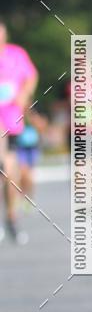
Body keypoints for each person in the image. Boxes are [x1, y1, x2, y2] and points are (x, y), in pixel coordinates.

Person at [0, 21, 38, 244]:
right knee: (5, 166)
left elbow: (31, 76)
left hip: (13, 120)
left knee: (10, 172)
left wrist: (24, 94)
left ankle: (12, 218)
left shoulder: (16, 54)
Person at [15, 108, 47, 206]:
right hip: (21, 148)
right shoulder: (18, 115)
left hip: (32, 149)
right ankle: (21, 195)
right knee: (22, 173)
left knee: (29, 176)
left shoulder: (35, 116)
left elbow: (42, 128)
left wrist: (35, 120)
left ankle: (29, 197)